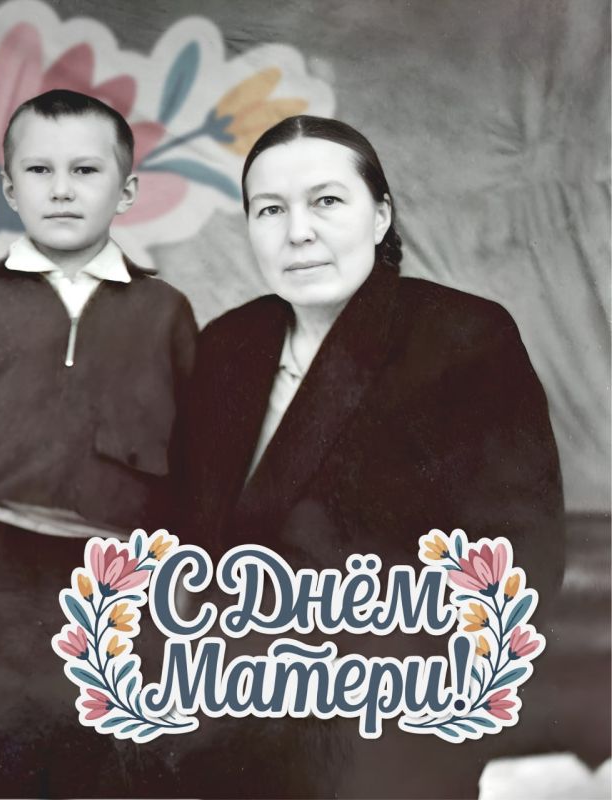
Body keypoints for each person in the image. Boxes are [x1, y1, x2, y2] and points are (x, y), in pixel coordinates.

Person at [175, 115, 565, 798]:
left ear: (380, 215)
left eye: (326, 201)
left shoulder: (463, 337)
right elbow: (188, 541)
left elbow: (521, 559)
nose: (298, 232)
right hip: (229, 719)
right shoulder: (227, 344)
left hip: (390, 727)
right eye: (270, 209)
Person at [0, 89, 196, 798]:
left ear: (126, 191)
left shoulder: (164, 311)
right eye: (39, 170)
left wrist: (180, 594)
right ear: (10, 189)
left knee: (106, 771)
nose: (61, 189)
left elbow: (196, 466)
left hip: (114, 581)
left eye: (85, 171)